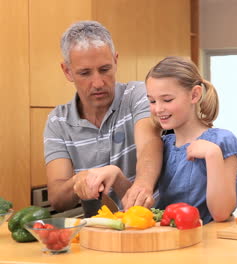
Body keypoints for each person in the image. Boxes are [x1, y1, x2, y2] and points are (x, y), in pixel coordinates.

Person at [44, 21, 163, 211]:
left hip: (152, 221)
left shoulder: (138, 94)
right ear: (67, 71)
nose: (98, 83)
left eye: (105, 69)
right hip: (101, 230)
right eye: (85, 73)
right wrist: (78, 180)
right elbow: (57, 199)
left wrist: (143, 185)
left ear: (116, 61)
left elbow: (149, 144)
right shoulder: (57, 121)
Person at [145, 56, 237, 224]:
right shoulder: (163, 145)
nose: (158, 109)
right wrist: (116, 176)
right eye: (152, 101)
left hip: (205, 244)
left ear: (195, 95)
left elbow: (221, 213)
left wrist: (213, 155)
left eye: (167, 100)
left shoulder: (222, 141)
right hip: (167, 241)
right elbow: (141, 200)